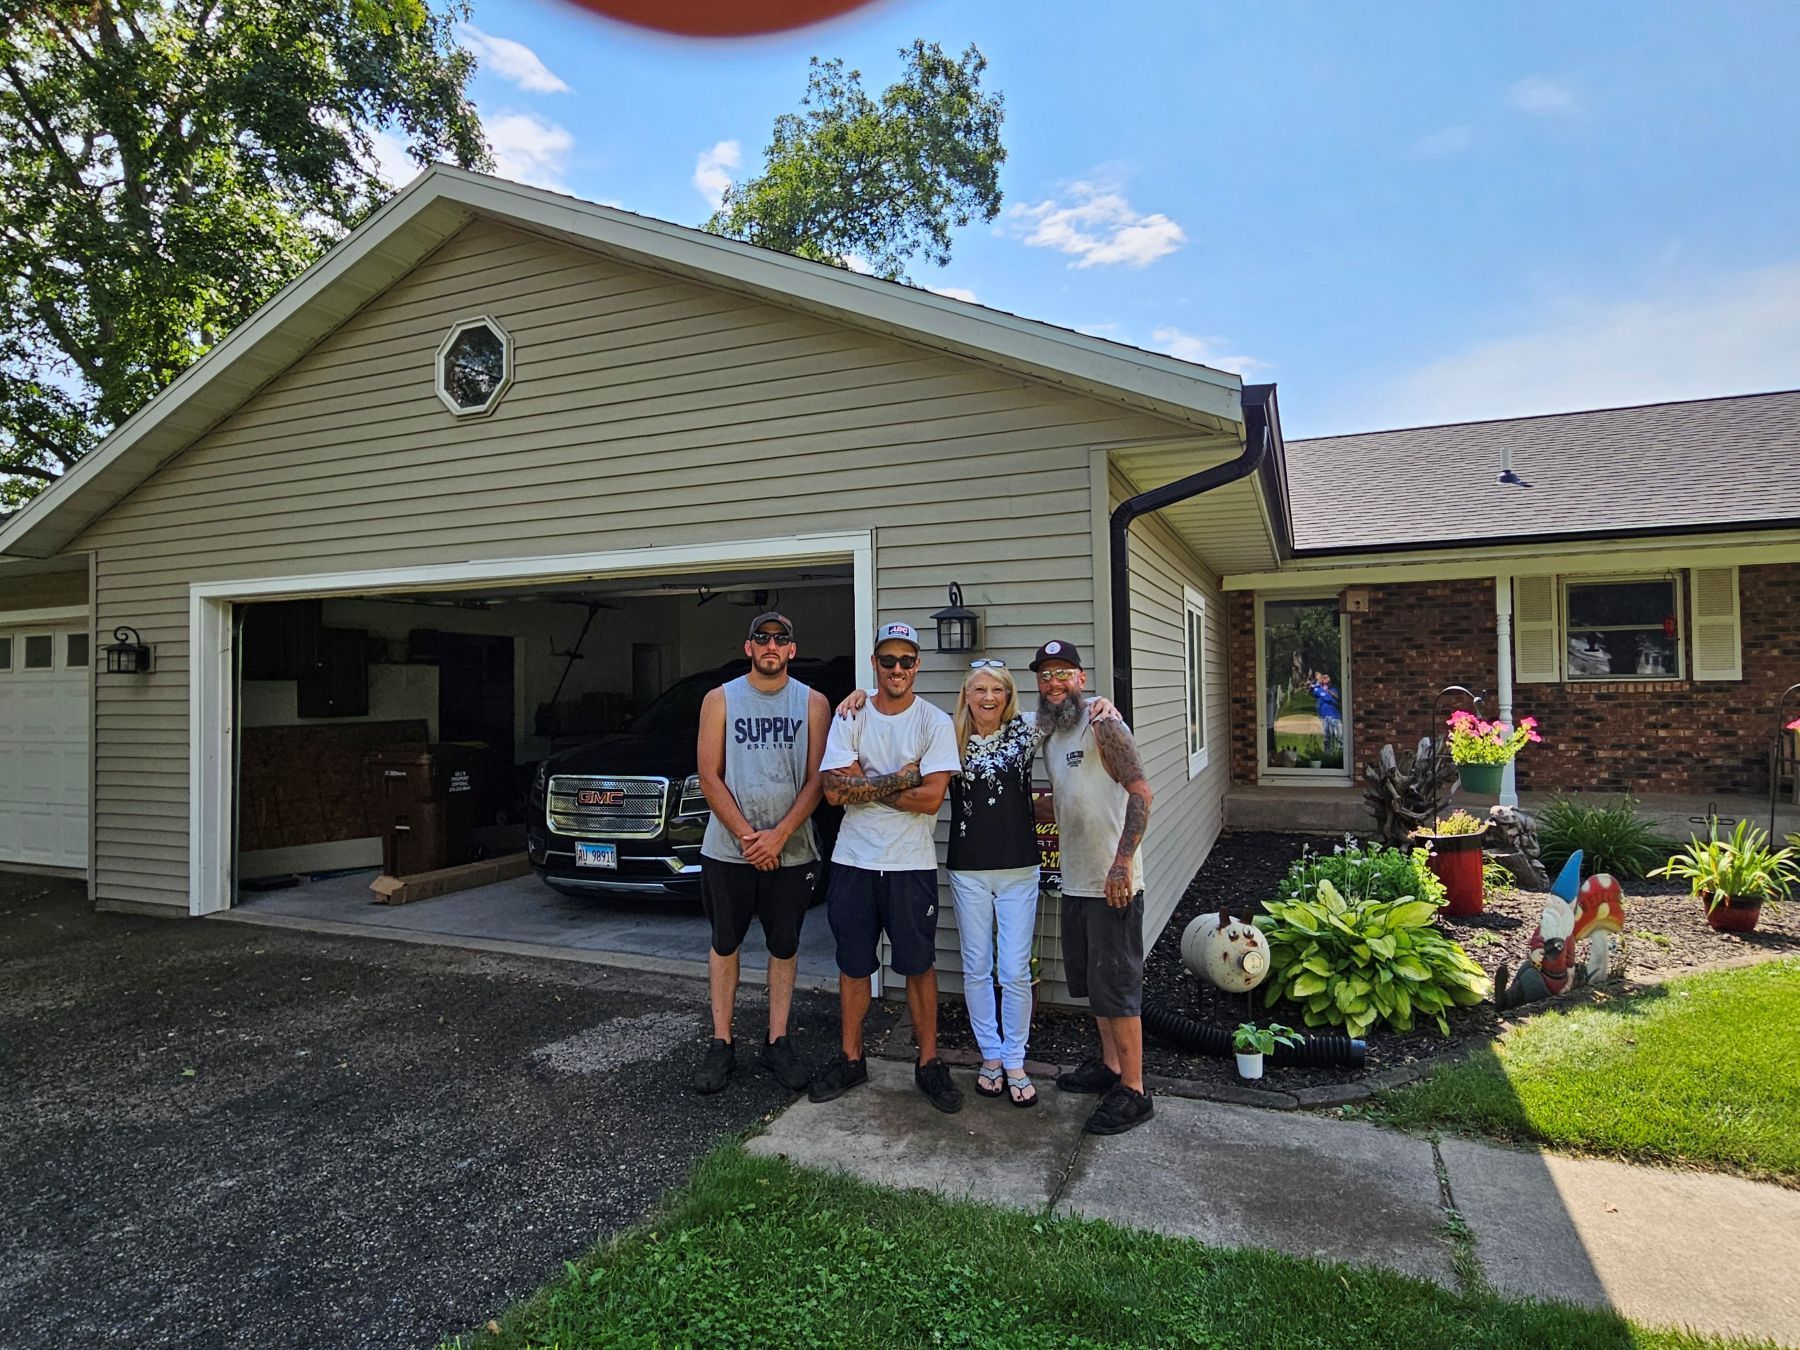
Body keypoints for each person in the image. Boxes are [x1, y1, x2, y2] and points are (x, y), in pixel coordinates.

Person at [835, 663, 1117, 1108]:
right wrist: (860, 693)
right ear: (966, 694)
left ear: (1008, 696)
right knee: (977, 968)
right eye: (980, 689)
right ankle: (989, 1056)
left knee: (1015, 971)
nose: (989, 698)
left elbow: (1067, 706)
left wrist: (1101, 703)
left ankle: (1015, 1059)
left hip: (1020, 868)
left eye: (998, 691)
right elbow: (894, 705)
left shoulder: (1027, 729)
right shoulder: (949, 734)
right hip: (966, 868)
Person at [808, 622, 964, 1112]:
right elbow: (834, 793)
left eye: (906, 661)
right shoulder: (850, 716)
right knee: (853, 965)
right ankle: (851, 1059)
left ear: (917, 666)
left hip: (909, 865)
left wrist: (867, 782)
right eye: (888, 660)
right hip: (853, 861)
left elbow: (931, 799)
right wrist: (901, 777)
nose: (897, 669)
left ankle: (929, 1063)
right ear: (874, 664)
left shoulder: (934, 722)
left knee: (918, 965)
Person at [691, 611, 830, 1095]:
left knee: (783, 945)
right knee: (724, 942)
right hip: (729, 850)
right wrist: (751, 837)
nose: (771, 645)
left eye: (781, 639)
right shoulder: (720, 699)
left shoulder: (813, 703)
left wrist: (779, 836)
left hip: (792, 852)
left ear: (792, 649)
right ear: (747, 646)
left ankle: (777, 1040)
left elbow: (818, 780)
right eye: (762, 638)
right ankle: (721, 1042)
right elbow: (709, 774)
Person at [1034, 639, 1157, 1136]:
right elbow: (1069, 799)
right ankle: (1109, 1066)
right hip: (1078, 880)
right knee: (1095, 984)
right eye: (1045, 675)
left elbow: (1141, 791)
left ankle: (1134, 1089)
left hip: (1114, 883)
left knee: (1119, 987)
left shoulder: (1104, 724)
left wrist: (1123, 863)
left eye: (1064, 673)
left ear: (1081, 679)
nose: (1054, 682)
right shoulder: (1051, 731)